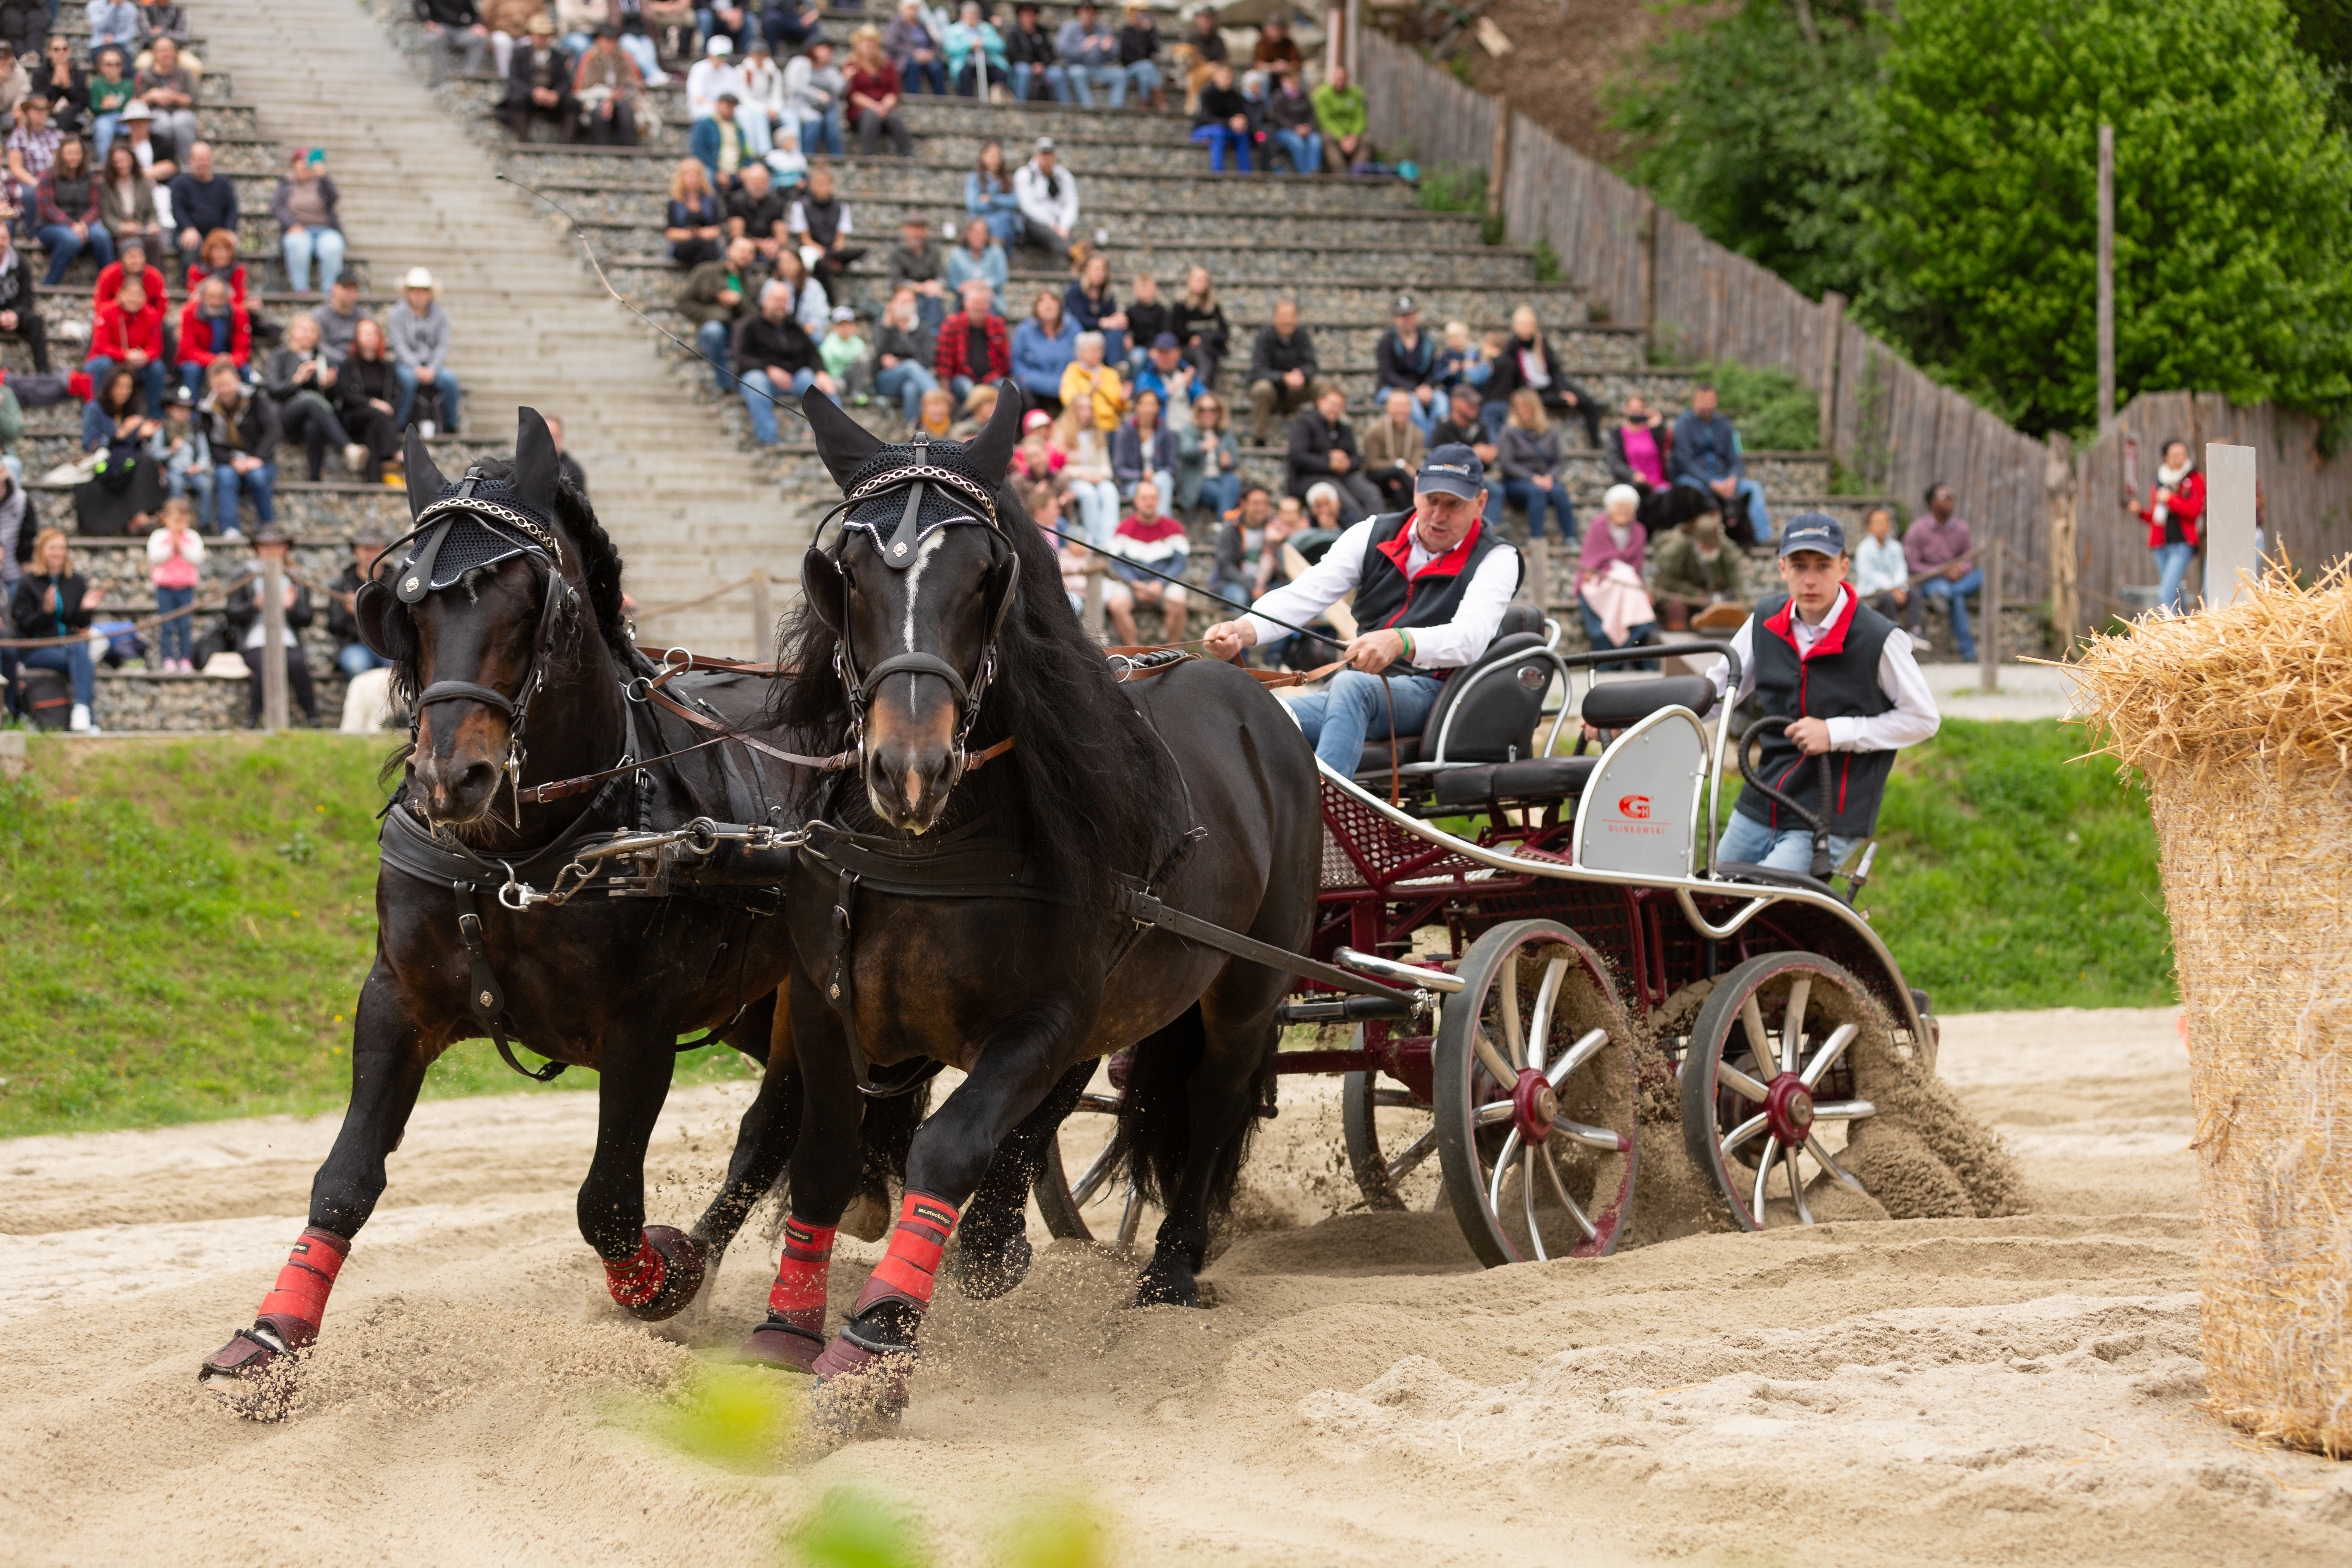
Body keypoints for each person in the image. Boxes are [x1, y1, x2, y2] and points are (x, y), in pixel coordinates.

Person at [1203, 446, 1515, 771]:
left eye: (1454, 504)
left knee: (1352, 686)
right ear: (1416, 488)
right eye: (1431, 499)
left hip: (1442, 694)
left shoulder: (1498, 558)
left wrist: (1400, 641)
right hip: (1361, 690)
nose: (1438, 514)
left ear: (1480, 503)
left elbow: (1472, 637)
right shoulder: (1371, 533)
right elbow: (1307, 593)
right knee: (1255, 716)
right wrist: (1243, 630)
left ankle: (1322, 817)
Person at [1702, 514, 1940, 874]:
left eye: (1822, 566)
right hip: (1762, 799)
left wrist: (1836, 733)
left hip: (1831, 813)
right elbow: (1715, 695)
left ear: (1844, 567)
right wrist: (1626, 724)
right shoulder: (1763, 620)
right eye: (1799, 566)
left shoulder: (1879, 638)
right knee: (1712, 894)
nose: (1810, 580)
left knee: (1762, 905)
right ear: (1782, 568)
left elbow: (1923, 720)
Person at [223, 524, 318, 726]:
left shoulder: (295, 577)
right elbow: (232, 613)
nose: (271, 551)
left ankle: (313, 716)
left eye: (276, 546)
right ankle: (253, 717)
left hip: (288, 638)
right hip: (253, 638)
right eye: (266, 546)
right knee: (266, 663)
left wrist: (291, 608)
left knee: (297, 663)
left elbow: (307, 618)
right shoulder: (245, 574)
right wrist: (254, 606)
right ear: (257, 548)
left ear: (285, 548)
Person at [11, 528, 97, 730]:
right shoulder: (28, 583)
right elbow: (25, 625)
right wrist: (46, 611)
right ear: (42, 551)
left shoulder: (76, 581)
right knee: (82, 656)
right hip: (38, 649)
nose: (58, 553)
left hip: (69, 647)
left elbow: (80, 623)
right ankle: (85, 714)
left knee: (79, 650)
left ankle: (82, 711)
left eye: (61, 548)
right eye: (53, 548)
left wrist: (86, 609)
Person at [263, 311, 362, 481]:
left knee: (314, 425)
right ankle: (347, 448)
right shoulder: (281, 355)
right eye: (302, 329)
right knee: (310, 399)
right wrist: (297, 380)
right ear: (292, 333)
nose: (307, 333)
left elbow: (330, 404)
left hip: (314, 417)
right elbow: (272, 390)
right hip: (284, 414)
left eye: (311, 330)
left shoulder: (323, 359)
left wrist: (330, 387)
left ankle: (314, 479)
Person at [1669, 384, 1772, 547]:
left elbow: (1735, 458)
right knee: (1688, 491)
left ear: (1716, 401)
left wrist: (1733, 479)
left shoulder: (1725, 425)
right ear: (1694, 401)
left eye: (1710, 401)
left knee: (1754, 489)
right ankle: (1693, 541)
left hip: (1725, 479)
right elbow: (1684, 461)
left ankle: (1762, 538)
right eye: (1702, 401)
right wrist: (1711, 482)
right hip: (1696, 479)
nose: (1706, 405)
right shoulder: (1683, 425)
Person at [731, 276, 830, 444]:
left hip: (793, 380)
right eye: (777, 300)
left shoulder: (794, 327)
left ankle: (833, 435)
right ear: (765, 300)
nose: (781, 305)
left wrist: (821, 372)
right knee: (755, 381)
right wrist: (769, 369)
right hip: (762, 379)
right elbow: (740, 357)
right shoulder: (749, 325)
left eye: (785, 301)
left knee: (814, 380)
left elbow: (812, 354)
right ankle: (769, 439)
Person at [1485, 306, 1599, 447]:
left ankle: (1596, 444)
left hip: (1550, 386)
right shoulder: (1513, 348)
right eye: (1522, 325)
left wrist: (1563, 390)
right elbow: (1511, 375)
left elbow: (1554, 370)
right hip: (1532, 391)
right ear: (1516, 327)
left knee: (1587, 402)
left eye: (1529, 325)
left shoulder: (1541, 343)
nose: (1526, 328)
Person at [1102, 477, 1187, 644]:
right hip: (1132, 583)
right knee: (1117, 605)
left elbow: (1180, 563)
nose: (1149, 503)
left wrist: (1160, 584)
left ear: (1159, 500)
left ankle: (1173, 650)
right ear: (1136, 501)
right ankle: (1134, 651)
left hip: (1164, 582)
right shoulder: (1123, 528)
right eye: (1145, 498)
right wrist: (1134, 583)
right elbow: (1117, 564)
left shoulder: (1174, 528)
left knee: (1179, 604)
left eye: (1153, 498)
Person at [203, 356, 280, 538]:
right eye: (219, 385)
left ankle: (269, 526)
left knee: (259, 477)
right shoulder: (207, 410)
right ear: (211, 386)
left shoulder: (256, 399)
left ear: (237, 380)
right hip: (229, 461)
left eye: (227, 383)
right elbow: (211, 445)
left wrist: (258, 458)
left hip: (258, 459)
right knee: (225, 476)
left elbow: (273, 431)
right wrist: (231, 460)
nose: (224, 389)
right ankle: (230, 528)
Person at [1578, 484, 1654, 662]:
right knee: (1625, 581)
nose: (1623, 511)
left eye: (1627, 508)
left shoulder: (1639, 531)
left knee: (1628, 581)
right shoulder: (1599, 526)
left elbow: (1636, 565)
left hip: (1628, 582)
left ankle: (1634, 636)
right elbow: (1591, 558)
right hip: (1602, 578)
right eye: (1619, 507)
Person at [1904, 481, 1980, 657]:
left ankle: (1950, 594)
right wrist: (1942, 571)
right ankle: (1969, 653)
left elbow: (1970, 558)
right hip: (1932, 581)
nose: (1950, 502)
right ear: (1932, 503)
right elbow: (1913, 565)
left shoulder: (1962, 528)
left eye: (1952, 498)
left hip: (1959, 579)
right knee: (1955, 596)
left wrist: (1961, 569)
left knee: (1983, 575)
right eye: (1945, 498)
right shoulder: (1918, 529)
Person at [1287, 383, 1381, 520]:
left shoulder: (1344, 429)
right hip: (1311, 478)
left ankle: (1380, 533)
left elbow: (1357, 459)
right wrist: (1329, 463)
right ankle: (1360, 535)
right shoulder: (1305, 424)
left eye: (1340, 406)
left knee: (1372, 493)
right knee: (1347, 502)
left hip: (1342, 476)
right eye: (1333, 404)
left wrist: (1347, 463)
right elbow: (1297, 457)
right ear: (1321, 402)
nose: (1336, 409)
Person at [678, 233, 757, 392]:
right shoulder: (706, 272)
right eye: (741, 250)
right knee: (714, 331)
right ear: (729, 251)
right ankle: (727, 384)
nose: (745, 255)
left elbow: (757, 317)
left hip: (741, 333)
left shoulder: (755, 282)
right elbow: (683, 303)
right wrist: (713, 314)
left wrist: (740, 301)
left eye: (750, 252)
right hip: (715, 329)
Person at [388, 266, 461, 433]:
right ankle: (401, 423)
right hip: (407, 365)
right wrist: (416, 367)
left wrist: (433, 368)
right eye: (414, 290)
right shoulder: (396, 314)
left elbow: (442, 345)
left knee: (450, 381)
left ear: (430, 293)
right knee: (407, 381)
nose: (419, 294)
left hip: (433, 365)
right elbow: (399, 345)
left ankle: (452, 424)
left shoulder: (441, 315)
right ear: (408, 292)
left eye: (423, 290)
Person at [1498, 387, 1576, 541]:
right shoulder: (1509, 432)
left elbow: (1560, 462)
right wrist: (1533, 478)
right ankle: (1538, 539)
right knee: (1536, 492)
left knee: (1560, 492)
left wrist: (1549, 477)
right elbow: (1507, 464)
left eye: (1525, 405)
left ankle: (1571, 537)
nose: (1521, 410)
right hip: (1518, 482)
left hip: (1546, 479)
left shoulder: (1550, 432)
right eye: (1518, 406)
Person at [332, 316, 404, 482]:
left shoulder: (388, 366)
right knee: (377, 415)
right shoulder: (349, 365)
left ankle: (374, 480)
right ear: (357, 338)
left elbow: (398, 393)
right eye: (366, 333)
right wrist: (373, 403)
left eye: (373, 333)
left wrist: (390, 406)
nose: (370, 337)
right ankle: (393, 453)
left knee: (374, 427)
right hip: (355, 416)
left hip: (379, 421)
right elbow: (347, 395)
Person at [2138, 439, 2205, 615]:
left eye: (2183, 455)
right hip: (2161, 544)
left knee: (2166, 592)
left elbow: (2194, 511)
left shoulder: (2195, 479)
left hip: (2183, 543)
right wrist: (2140, 513)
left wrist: (2170, 500)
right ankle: (2185, 628)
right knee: (2176, 591)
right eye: (2175, 455)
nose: (2180, 459)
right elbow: (2157, 517)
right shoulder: (2159, 480)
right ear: (2165, 458)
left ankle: (2171, 634)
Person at [30, 127, 104, 285]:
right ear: (62, 154)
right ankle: (49, 284)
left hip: (83, 225)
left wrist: (84, 223)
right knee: (71, 240)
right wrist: (71, 225)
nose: (74, 157)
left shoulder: (91, 177)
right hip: (50, 226)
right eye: (70, 152)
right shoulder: (48, 175)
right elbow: (47, 209)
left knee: (102, 236)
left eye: (77, 153)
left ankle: (108, 283)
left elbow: (96, 207)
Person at [1651, 512, 1745, 632]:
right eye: (1708, 545)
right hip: (1678, 596)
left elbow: (1735, 579)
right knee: (1676, 609)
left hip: (1711, 597)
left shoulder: (1724, 548)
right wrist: (1698, 595)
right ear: (1698, 541)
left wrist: (1740, 604)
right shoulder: (1676, 547)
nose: (1711, 548)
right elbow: (1667, 582)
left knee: (1731, 612)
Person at [84, 274, 165, 412]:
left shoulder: (152, 315)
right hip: (112, 362)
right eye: (130, 294)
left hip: (137, 364)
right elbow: (101, 346)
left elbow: (156, 348)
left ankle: (155, 417)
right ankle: (97, 411)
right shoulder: (106, 311)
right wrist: (126, 355)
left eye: (138, 295)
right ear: (120, 294)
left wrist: (145, 356)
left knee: (157, 368)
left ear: (145, 297)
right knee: (101, 365)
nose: (134, 299)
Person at [271, 147, 345, 295]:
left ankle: (330, 291)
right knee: (299, 244)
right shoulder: (286, 184)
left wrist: (325, 178)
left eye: (308, 161)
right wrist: (292, 224)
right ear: (294, 164)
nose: (305, 165)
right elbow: (277, 207)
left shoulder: (321, 183)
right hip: (298, 228)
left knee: (333, 247)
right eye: (301, 161)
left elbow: (334, 199)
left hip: (325, 229)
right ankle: (301, 289)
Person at [1429, 383, 1502, 526]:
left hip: (1474, 480)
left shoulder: (1479, 427)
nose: (1475, 407)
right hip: (1449, 481)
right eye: (1470, 403)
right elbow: (1438, 463)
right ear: (1455, 403)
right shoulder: (1443, 428)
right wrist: (1472, 453)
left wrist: (1490, 455)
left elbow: (1485, 468)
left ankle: (1487, 532)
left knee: (1495, 490)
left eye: (1477, 404)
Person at [787, 159, 863, 289]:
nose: (823, 186)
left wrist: (834, 254)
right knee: (817, 261)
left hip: (832, 251)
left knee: (860, 252)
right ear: (811, 185)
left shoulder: (841, 206)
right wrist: (823, 253)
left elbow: (840, 240)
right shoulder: (801, 206)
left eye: (826, 183)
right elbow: (805, 239)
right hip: (812, 249)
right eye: (819, 183)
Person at [326, 533, 393, 679]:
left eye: (376, 549)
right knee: (358, 665)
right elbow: (334, 627)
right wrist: (348, 614)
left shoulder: (396, 582)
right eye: (365, 549)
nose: (371, 554)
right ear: (356, 551)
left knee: (397, 668)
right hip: (354, 644)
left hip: (390, 645)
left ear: (385, 550)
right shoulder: (342, 583)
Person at [146, 495, 202, 669]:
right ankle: (168, 658)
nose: (180, 525)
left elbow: (198, 558)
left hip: (186, 588)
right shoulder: (159, 536)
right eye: (177, 520)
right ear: (165, 519)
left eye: (184, 521)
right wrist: (172, 547)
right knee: (167, 625)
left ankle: (186, 658)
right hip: (165, 588)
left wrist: (182, 547)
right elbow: (154, 557)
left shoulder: (192, 537)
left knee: (185, 625)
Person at [934, 276, 1009, 404]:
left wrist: (993, 377)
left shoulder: (997, 325)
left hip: (991, 378)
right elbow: (944, 362)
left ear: (988, 306)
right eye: (975, 305)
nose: (978, 309)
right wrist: (945, 392)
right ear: (966, 305)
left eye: (982, 306)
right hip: (962, 377)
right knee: (969, 390)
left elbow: (1004, 360)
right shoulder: (952, 324)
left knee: (1012, 390)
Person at [502, 15, 577, 142]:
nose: (542, 38)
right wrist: (533, 92)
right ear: (531, 35)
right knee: (516, 100)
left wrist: (556, 94)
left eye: (545, 35)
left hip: (552, 97)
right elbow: (514, 79)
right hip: (529, 96)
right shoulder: (520, 54)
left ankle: (566, 143)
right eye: (539, 34)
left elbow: (566, 81)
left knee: (573, 103)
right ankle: (524, 141)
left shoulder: (558, 56)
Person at [872, 284, 939, 425]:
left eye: (909, 301)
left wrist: (900, 361)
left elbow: (927, 360)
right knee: (909, 366)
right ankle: (938, 399)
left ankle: (913, 429)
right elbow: (878, 357)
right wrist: (889, 326)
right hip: (887, 381)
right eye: (901, 301)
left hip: (913, 378)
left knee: (911, 388)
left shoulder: (922, 328)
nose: (905, 305)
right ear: (892, 304)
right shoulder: (883, 326)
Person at [1054, 404, 1120, 546]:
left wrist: (1100, 476)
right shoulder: (1062, 433)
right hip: (1074, 479)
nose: (1086, 413)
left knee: (1110, 491)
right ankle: (1095, 541)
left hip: (1097, 477)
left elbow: (1106, 465)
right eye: (1082, 409)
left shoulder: (1097, 433)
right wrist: (1084, 475)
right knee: (1088, 494)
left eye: (1089, 409)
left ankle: (1109, 539)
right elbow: (1059, 466)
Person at [174, 271, 248, 392]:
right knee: (192, 370)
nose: (215, 302)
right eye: (211, 297)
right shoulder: (189, 312)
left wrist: (231, 361)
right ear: (202, 297)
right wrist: (215, 361)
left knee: (245, 371)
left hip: (229, 361)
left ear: (227, 298)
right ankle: (192, 409)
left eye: (220, 297)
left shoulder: (239, 313)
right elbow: (187, 350)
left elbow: (243, 347)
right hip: (200, 362)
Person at [573, 24, 646, 146]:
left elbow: (635, 83)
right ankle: (600, 149)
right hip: (594, 100)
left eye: (613, 40)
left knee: (626, 109)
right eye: (606, 40)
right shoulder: (589, 58)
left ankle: (629, 149)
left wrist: (618, 95)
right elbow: (581, 89)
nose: (610, 44)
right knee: (600, 111)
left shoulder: (625, 58)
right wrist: (608, 95)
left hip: (623, 99)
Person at [845, 25, 911, 156]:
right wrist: (876, 107)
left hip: (885, 109)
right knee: (871, 117)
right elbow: (853, 95)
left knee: (895, 118)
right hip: (861, 112)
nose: (869, 47)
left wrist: (884, 107)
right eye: (865, 43)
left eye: (872, 43)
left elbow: (894, 91)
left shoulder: (888, 65)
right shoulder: (852, 65)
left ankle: (907, 156)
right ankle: (868, 156)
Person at [167, 140, 236, 261]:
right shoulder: (180, 183)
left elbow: (232, 210)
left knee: (229, 246)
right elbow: (178, 210)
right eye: (199, 159)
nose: (203, 163)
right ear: (191, 161)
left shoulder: (224, 184)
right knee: (190, 245)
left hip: (218, 233)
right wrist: (188, 228)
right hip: (189, 231)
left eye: (206, 159)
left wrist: (229, 231)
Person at [1359, 387, 1425, 513]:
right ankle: (1425, 498)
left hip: (1404, 481)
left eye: (1404, 406)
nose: (1400, 410)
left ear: (1410, 408)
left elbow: (1414, 467)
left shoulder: (1417, 434)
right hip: (1377, 477)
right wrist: (1399, 465)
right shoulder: (1375, 431)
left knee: (1401, 493)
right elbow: (1371, 464)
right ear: (1388, 407)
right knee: (1399, 472)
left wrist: (1402, 473)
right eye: (1396, 405)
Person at [1011, 286, 1077, 412]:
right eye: (1042, 301)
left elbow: (1081, 359)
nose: (1048, 305)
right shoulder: (1024, 331)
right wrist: (1035, 381)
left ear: (1061, 306)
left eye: (1053, 300)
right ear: (1036, 307)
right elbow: (1018, 363)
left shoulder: (1073, 329)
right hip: (1033, 387)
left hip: (1067, 386)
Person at [148, 379, 209, 512]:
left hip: (192, 471)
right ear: (169, 410)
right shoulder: (162, 429)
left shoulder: (196, 430)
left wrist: (199, 466)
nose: (183, 414)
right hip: (172, 470)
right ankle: (174, 516)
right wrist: (171, 451)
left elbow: (205, 454)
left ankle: (206, 523)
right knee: (176, 483)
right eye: (179, 409)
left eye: (187, 410)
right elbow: (154, 453)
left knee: (206, 485)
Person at [1012, 134, 1076, 260]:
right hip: (1035, 222)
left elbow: (1072, 204)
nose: (1047, 158)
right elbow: (1028, 206)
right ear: (1036, 156)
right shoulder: (1025, 174)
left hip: (1059, 223)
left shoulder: (1064, 176)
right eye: (1043, 154)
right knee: (1051, 235)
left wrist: (1064, 225)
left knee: (1061, 236)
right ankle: (1074, 253)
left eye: (1050, 154)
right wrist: (1052, 224)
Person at [1111, 384, 1175, 507]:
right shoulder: (1125, 432)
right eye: (1145, 404)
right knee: (1147, 492)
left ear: (1158, 408)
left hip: (1159, 480)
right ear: (1137, 406)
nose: (1149, 409)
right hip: (1134, 483)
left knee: (1163, 480)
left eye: (1152, 405)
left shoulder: (1166, 432)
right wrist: (1142, 475)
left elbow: (1172, 467)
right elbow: (1119, 469)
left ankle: (1162, 524)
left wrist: (1154, 475)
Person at [1178, 390, 1240, 517]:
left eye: (1213, 410)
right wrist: (1202, 447)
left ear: (1219, 412)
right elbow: (1185, 451)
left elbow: (1235, 460)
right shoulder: (1189, 430)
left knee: (1233, 480)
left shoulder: (1226, 433)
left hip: (1222, 478)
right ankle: (1226, 522)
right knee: (1227, 495)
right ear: (1197, 412)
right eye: (1203, 410)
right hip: (1200, 481)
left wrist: (1228, 462)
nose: (1208, 414)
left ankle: (1224, 522)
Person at [97, 136, 161, 258]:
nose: (123, 165)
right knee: (130, 245)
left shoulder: (144, 183)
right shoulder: (105, 184)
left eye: (126, 160)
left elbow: (152, 212)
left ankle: (155, 276)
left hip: (140, 228)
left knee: (153, 242)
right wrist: (122, 227)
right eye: (118, 161)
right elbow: (106, 215)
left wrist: (153, 224)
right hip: (119, 232)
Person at [1209, 481, 1271, 604]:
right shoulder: (1231, 529)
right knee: (1239, 598)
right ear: (1244, 504)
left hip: (1264, 582)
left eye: (1265, 504)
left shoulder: (1272, 529)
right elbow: (1226, 567)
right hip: (1233, 582)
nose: (1261, 508)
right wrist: (1252, 587)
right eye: (1256, 503)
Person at [133, 34, 195, 154]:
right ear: (154, 54)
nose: (166, 54)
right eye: (162, 50)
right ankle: (164, 159)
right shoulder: (144, 75)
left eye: (169, 50)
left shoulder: (185, 74)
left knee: (182, 122)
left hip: (181, 111)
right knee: (162, 122)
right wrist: (152, 95)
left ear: (176, 53)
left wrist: (173, 97)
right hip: (155, 111)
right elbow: (137, 103)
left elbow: (193, 100)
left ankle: (187, 163)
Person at [781, 36, 843, 157]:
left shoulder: (830, 70)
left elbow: (840, 90)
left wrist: (846, 76)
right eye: (824, 48)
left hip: (823, 108)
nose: (828, 52)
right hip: (799, 105)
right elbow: (794, 85)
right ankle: (807, 155)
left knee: (833, 115)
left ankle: (837, 156)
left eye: (830, 49)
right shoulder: (800, 62)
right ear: (814, 49)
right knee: (815, 120)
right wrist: (817, 94)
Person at [884, 212, 948, 329]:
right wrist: (921, 287)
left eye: (921, 228)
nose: (917, 233)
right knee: (906, 298)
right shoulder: (898, 252)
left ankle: (933, 334)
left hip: (929, 294)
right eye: (914, 228)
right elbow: (896, 281)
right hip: (908, 293)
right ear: (906, 230)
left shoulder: (933, 251)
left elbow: (941, 276)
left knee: (935, 297)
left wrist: (936, 285)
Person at [1063, 249, 1127, 363]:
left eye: (1103, 269)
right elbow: (1079, 319)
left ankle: (1116, 373)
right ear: (1086, 271)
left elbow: (1113, 318)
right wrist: (1103, 322)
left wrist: (1124, 329)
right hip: (1078, 333)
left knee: (1117, 333)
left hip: (1101, 335)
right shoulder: (1075, 291)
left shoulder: (1107, 295)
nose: (1099, 273)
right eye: (1096, 269)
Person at [1170, 264, 1227, 390]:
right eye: (1198, 279)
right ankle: (1204, 385)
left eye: (1204, 279)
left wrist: (1204, 338)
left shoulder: (1213, 307)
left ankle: (1204, 384)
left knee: (1205, 349)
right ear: (1190, 281)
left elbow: (1224, 333)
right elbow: (1176, 331)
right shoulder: (1181, 306)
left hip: (1209, 349)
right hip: (1187, 350)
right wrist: (1191, 338)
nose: (1201, 283)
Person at [1058, 327, 1126, 433]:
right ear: (1080, 353)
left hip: (1110, 427)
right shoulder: (1072, 372)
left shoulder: (1111, 374)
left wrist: (1124, 400)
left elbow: (1120, 408)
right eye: (1093, 351)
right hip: (1084, 426)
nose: (1098, 354)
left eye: (1100, 350)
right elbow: (1069, 401)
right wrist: (1090, 392)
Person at [0, 224, 47, 373]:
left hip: (16, 313)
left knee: (36, 322)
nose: (1, 243)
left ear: (9, 239)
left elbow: (28, 298)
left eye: (4, 238)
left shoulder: (21, 262)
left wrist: (15, 314)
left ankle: (44, 374)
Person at [1191, 60, 1253, 173]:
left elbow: (1241, 114)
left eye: (1229, 76)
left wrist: (1242, 122)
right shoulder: (1206, 94)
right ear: (1215, 76)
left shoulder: (1235, 95)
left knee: (1242, 133)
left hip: (1228, 130)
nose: (1227, 79)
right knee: (1218, 132)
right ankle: (1218, 173)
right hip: (1203, 130)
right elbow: (1207, 118)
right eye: (1224, 75)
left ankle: (1246, 173)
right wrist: (1230, 122)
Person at [1056, 0, 1121, 106]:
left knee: (1119, 75)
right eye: (1085, 11)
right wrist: (1082, 48)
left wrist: (1108, 49)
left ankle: (1116, 110)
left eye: (1091, 12)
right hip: (1075, 67)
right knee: (1079, 73)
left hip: (1097, 68)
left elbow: (1116, 53)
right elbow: (1062, 51)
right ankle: (1089, 108)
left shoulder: (1103, 30)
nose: (1088, 15)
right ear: (1079, 12)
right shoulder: (1069, 29)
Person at [1850, 505, 1908, 623]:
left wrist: (1899, 587)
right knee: (1888, 599)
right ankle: (1891, 631)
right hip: (1872, 590)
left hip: (1896, 588)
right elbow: (1870, 575)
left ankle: (1916, 630)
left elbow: (1901, 569)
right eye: (1877, 523)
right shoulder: (1864, 549)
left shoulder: (1896, 546)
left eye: (1884, 522)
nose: (1882, 526)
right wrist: (1893, 589)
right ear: (1869, 527)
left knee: (1915, 594)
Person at [724, 158, 789, 258]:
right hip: (745, 246)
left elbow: (781, 234)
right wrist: (760, 244)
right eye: (755, 181)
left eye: (762, 181)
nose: (758, 185)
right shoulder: (736, 202)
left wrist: (775, 245)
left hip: (770, 249)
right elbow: (737, 235)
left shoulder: (777, 203)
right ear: (747, 182)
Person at [416, 0, 493, 85]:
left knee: (481, 39)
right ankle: (443, 77)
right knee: (433, 39)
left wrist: (477, 25)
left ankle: (470, 77)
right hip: (441, 28)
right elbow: (418, 5)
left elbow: (474, 14)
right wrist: (427, 22)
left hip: (461, 30)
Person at [1003, 1, 1067, 103]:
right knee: (1024, 71)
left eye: (1032, 14)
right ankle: (1020, 105)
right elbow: (1013, 55)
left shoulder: (1042, 32)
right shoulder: (1014, 33)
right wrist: (1032, 65)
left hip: (1043, 68)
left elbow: (1050, 53)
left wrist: (1043, 65)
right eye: (1026, 14)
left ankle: (1065, 108)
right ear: (1020, 15)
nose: (1029, 17)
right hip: (1023, 66)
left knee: (1057, 73)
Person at [666, 156, 724, 265]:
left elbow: (717, 228)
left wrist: (700, 234)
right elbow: (671, 232)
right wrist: (693, 234)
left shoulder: (711, 201)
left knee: (704, 248)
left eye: (696, 175)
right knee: (695, 246)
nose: (693, 179)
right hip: (685, 244)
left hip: (706, 243)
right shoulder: (674, 203)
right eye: (689, 175)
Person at [1261, 67, 1318, 177]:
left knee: (1316, 142)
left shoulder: (1305, 96)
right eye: (1292, 80)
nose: (1295, 83)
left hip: (1306, 130)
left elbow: (1312, 116)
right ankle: (1306, 175)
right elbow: (1278, 118)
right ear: (1285, 81)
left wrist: (1308, 127)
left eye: (1297, 80)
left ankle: (1314, 173)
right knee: (1298, 143)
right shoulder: (1278, 96)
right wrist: (1295, 128)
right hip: (1284, 131)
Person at [1311, 62, 1366, 174]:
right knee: (1326, 138)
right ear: (1332, 78)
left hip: (1352, 134)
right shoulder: (1322, 95)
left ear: (1348, 80)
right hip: (1334, 133)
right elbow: (1324, 120)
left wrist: (1354, 136)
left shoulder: (1356, 94)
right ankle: (1340, 173)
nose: (1340, 82)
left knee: (1367, 141)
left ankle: (1357, 172)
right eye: (1338, 79)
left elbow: (1360, 117)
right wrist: (1342, 137)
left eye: (1343, 79)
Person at [944, 0, 1007, 99]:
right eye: (969, 15)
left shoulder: (987, 28)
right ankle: (968, 102)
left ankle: (999, 101)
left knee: (1001, 74)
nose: (971, 18)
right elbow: (951, 49)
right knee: (965, 74)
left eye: (974, 15)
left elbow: (1000, 46)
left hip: (988, 62)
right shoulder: (954, 30)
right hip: (965, 63)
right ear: (963, 16)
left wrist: (984, 43)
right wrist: (970, 44)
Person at [964, 140, 1020, 250]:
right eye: (991, 154)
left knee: (1005, 218)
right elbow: (974, 205)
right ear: (983, 156)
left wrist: (993, 200)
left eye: (998, 154)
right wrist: (1001, 205)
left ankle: (997, 251)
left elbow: (1015, 202)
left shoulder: (1006, 180)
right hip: (981, 220)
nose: (994, 158)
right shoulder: (974, 178)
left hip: (1002, 222)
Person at [29, 36, 87, 138]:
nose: (61, 53)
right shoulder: (39, 73)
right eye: (56, 49)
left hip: (72, 117)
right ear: (49, 52)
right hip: (47, 114)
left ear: (69, 52)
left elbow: (83, 102)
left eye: (65, 49)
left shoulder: (78, 74)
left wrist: (68, 86)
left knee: (74, 110)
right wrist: (54, 85)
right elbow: (39, 100)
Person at [946, 214, 1006, 312]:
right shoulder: (957, 254)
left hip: (991, 299)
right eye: (975, 232)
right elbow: (953, 283)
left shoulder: (996, 252)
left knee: (985, 303)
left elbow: (1001, 278)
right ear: (967, 234)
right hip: (964, 301)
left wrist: (982, 285)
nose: (979, 236)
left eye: (982, 233)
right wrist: (967, 289)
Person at [87, 44, 132, 161]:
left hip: (125, 118)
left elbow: (132, 106)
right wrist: (103, 107)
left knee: (135, 129)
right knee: (103, 128)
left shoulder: (129, 85)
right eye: (109, 64)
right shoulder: (97, 84)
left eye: (117, 65)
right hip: (105, 118)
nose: (113, 68)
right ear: (101, 67)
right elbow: (94, 107)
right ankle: (104, 164)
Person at [769, 243, 829, 332]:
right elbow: (765, 311)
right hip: (777, 330)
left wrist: (811, 326)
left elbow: (822, 313)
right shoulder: (772, 284)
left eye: (789, 262)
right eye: (782, 262)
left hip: (806, 332)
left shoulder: (813, 286)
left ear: (800, 263)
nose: (785, 266)